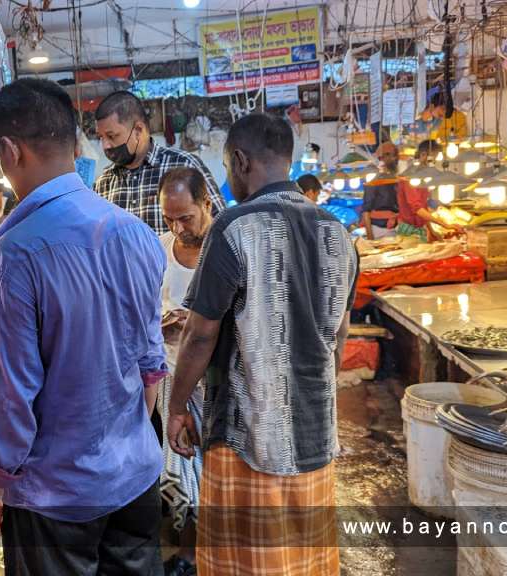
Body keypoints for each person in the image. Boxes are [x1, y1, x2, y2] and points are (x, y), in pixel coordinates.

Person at [0, 78, 166, 576]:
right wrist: (118, 441)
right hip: (136, 479)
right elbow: (151, 367)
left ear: (10, 150)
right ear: (75, 143)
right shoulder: (134, 232)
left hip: (56, 500)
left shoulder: (18, 250)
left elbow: (9, 397)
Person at [166, 112, 356, 576]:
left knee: (246, 564)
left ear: (239, 160)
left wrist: (175, 407)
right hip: (314, 434)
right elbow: (341, 334)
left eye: (229, 168)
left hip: (245, 437)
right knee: (305, 559)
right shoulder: (339, 234)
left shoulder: (233, 228)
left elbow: (200, 332)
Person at [157, 167, 213, 576]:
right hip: (169, 383)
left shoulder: (223, 251)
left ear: (206, 204)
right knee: (181, 465)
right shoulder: (160, 250)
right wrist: (162, 319)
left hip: (214, 384)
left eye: (186, 218)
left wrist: (197, 321)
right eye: (169, 218)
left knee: (214, 474)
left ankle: (212, 554)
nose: (177, 228)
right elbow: (144, 305)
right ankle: (190, 553)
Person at [94, 90, 225, 235]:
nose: (105, 145)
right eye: (101, 137)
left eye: (111, 136)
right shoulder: (103, 184)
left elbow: (221, 229)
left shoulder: (185, 165)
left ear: (138, 130)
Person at [396, 140, 465, 241]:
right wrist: (445, 225)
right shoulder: (410, 177)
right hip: (409, 231)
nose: (434, 163)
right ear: (423, 155)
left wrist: (432, 231)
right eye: (433, 160)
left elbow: (423, 207)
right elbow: (417, 209)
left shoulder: (425, 177)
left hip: (419, 229)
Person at [361, 142, 401, 240]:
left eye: (389, 154)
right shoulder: (374, 182)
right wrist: (370, 237)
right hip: (378, 230)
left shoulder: (398, 180)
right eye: (382, 156)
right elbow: (366, 211)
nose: (386, 158)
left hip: (397, 228)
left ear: (396, 157)